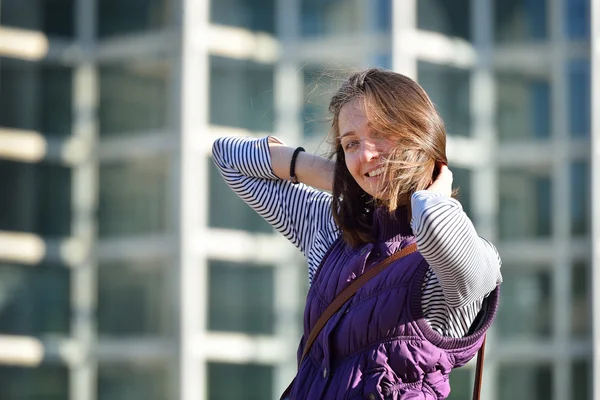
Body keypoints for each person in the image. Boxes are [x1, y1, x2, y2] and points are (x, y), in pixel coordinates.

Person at [212, 68, 502, 399]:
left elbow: (437, 227)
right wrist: (338, 177)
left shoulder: (463, 258)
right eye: (351, 143)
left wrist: (431, 191)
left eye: (379, 132)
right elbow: (229, 158)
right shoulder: (331, 230)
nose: (365, 154)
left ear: (419, 132)